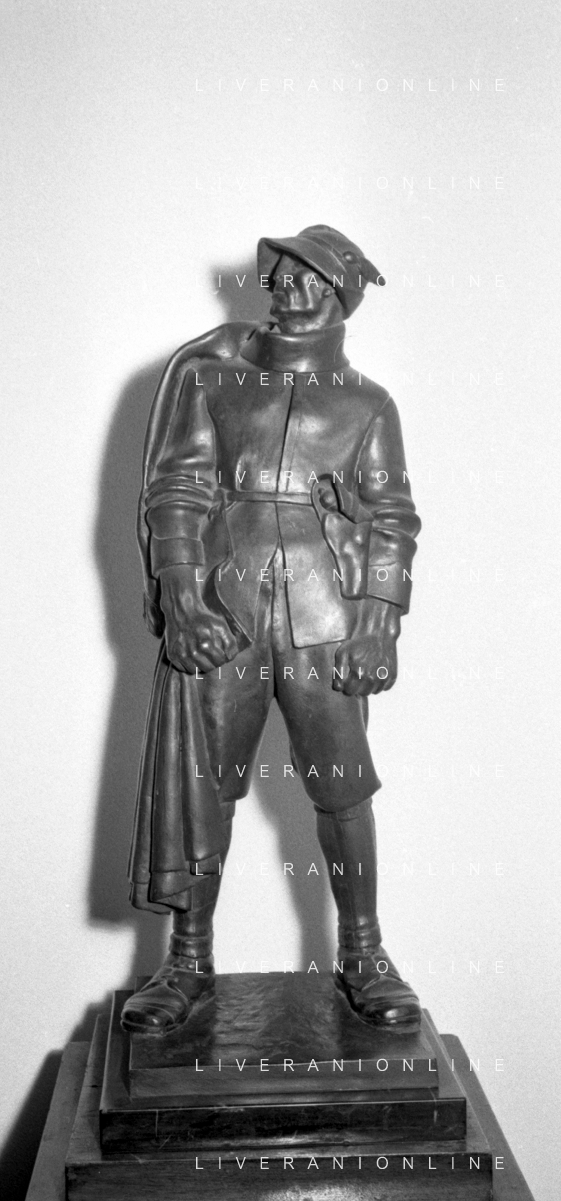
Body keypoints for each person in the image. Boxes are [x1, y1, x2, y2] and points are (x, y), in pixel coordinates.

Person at [121, 225, 422, 1036]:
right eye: (279, 274)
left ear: (338, 294)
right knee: (204, 785)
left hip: (325, 622)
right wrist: (182, 597)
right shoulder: (212, 379)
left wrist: (378, 624)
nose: (284, 286)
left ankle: (363, 952)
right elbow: (175, 491)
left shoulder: (367, 404)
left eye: (304, 276)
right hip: (224, 611)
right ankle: (186, 960)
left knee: (343, 789)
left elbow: (392, 519)